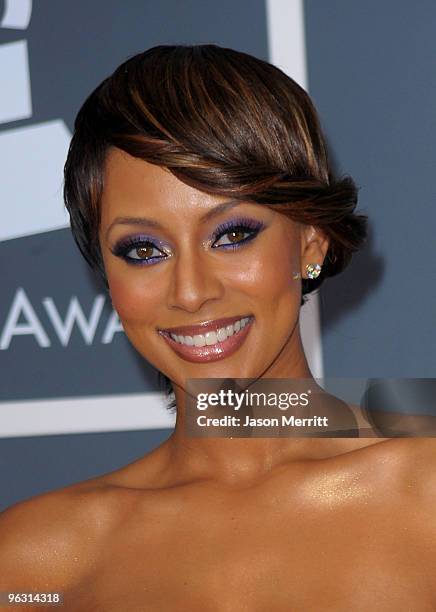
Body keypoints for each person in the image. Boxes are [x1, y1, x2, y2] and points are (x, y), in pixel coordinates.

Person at [0, 44, 435, 611]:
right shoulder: (34, 558)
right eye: (143, 249)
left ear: (311, 240)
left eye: (231, 234)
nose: (190, 290)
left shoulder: (425, 491)